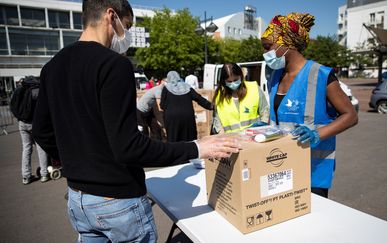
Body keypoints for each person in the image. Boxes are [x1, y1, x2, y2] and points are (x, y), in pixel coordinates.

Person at [32, 1, 240, 242]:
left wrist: (78, 161)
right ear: (111, 16)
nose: (126, 34)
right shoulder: (113, 65)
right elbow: (129, 147)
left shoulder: (53, 66)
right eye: (127, 25)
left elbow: (42, 131)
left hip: (78, 199)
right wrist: (197, 147)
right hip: (117, 201)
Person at [261, 13, 358, 198]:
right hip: (280, 167)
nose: (266, 54)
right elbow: (280, 117)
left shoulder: (321, 74)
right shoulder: (275, 76)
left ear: (287, 43)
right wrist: (265, 128)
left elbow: (351, 116)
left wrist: (317, 134)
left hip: (313, 172)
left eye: (268, 47)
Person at [11, 77, 50, 184]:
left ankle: (26, 176)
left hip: (22, 123)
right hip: (34, 123)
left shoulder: (18, 90)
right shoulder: (36, 91)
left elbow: (13, 106)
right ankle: (44, 174)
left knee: (26, 148)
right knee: (40, 148)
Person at [212, 63, 269, 134]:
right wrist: (223, 137)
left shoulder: (254, 88)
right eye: (229, 81)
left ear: (241, 76)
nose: (233, 83)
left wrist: (262, 132)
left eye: (235, 80)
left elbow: (265, 112)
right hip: (232, 140)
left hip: (254, 137)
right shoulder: (220, 96)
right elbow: (218, 122)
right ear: (224, 81)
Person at [161, 71, 213, 142]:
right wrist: (211, 106)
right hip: (187, 117)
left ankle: (176, 153)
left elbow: (162, 105)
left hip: (172, 118)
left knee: (174, 140)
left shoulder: (166, 88)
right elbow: (198, 98)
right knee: (189, 139)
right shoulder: (187, 87)